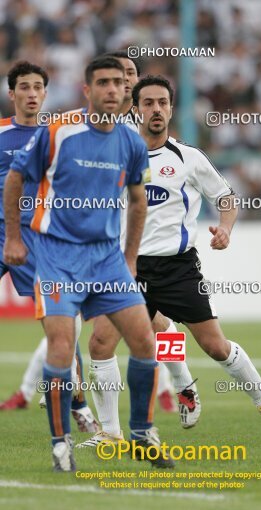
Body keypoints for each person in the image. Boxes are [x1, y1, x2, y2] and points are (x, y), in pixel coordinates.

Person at [78, 75, 261, 448]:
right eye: (148, 103)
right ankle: (110, 434)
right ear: (136, 108)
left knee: (215, 346)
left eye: (162, 103)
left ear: (171, 109)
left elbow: (226, 197)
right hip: (127, 267)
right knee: (100, 344)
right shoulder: (117, 153)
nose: (155, 110)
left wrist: (225, 228)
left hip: (177, 269)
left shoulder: (188, 158)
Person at [3, 57, 174, 471]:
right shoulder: (58, 132)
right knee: (62, 346)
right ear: (88, 90)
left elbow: (137, 201)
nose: (114, 89)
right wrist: (11, 237)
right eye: (104, 83)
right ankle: (61, 443)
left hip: (107, 259)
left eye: (119, 83)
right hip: (58, 255)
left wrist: (130, 259)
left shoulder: (131, 142)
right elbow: (15, 179)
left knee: (145, 341)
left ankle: (141, 433)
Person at [0, 60, 99, 433]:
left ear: (45, 93)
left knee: (61, 321)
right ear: (12, 94)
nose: (30, 94)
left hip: (39, 241)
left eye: (37, 87)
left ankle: (78, 403)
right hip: (2, 232)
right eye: (23, 87)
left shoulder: (57, 135)